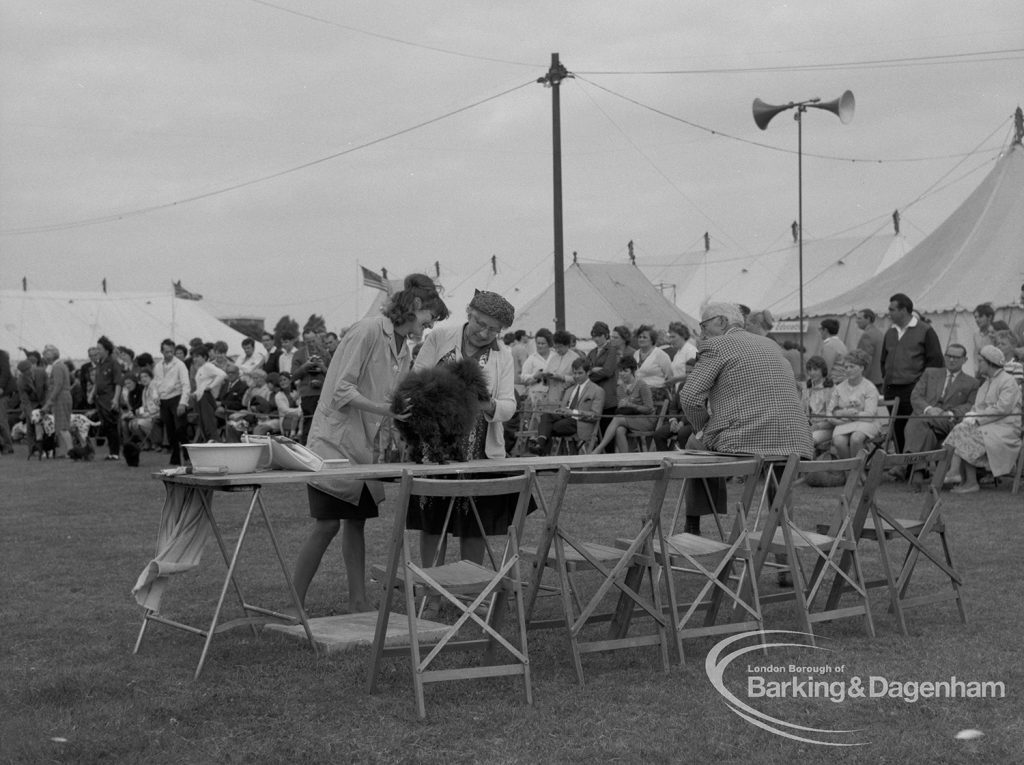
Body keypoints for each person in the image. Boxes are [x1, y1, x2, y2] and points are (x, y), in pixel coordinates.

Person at [292, 274, 447, 614]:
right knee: (328, 523)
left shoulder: (403, 348)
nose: (429, 326)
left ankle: (358, 601)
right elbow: (341, 391)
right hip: (333, 442)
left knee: (356, 522)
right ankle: (292, 605)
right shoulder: (367, 330)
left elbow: (392, 398)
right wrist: (386, 409)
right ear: (416, 305)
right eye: (430, 318)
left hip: (364, 447)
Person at [679, 303, 813, 556]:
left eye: (703, 326)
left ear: (720, 322)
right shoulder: (770, 344)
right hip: (792, 437)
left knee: (693, 446)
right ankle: (785, 557)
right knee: (781, 484)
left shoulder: (717, 345)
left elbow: (689, 398)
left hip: (745, 438)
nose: (701, 333)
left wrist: (702, 428)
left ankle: (693, 526)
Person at [405, 289, 519, 572]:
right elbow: (414, 381)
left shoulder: (503, 355)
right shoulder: (439, 338)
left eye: (493, 329)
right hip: (435, 447)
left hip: (479, 450)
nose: (484, 333)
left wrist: (487, 404)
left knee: (474, 524)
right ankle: (433, 589)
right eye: (481, 324)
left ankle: (471, 590)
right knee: (433, 522)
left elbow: (508, 405)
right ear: (469, 313)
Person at [944, 346, 1023, 494]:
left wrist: (977, 418)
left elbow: (1003, 409)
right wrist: (971, 415)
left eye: (980, 361)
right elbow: (977, 407)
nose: (978, 364)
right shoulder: (986, 383)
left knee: (965, 433)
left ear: (990, 362)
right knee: (962, 429)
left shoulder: (1008, 381)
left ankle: (959, 476)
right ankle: (963, 478)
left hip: (1005, 430)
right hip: (989, 426)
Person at [881, 293, 944, 453]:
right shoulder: (890, 332)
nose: (889, 312)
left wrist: (921, 385)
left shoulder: (925, 330)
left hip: (913, 388)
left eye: (892, 309)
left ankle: (915, 467)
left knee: (914, 428)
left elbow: (935, 361)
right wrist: (886, 378)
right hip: (891, 389)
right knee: (897, 427)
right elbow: (883, 359)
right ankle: (902, 464)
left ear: (904, 310)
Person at [529, 356, 604, 455]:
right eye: (574, 373)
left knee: (547, 427)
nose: (576, 376)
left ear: (588, 372)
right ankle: (541, 445)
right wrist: (561, 410)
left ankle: (541, 446)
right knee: (546, 416)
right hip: (564, 418)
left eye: (580, 373)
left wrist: (573, 412)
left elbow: (595, 415)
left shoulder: (597, 390)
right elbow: (564, 407)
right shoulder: (570, 389)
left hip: (579, 422)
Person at [591, 356, 655, 454]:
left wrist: (631, 405)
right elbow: (622, 409)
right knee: (619, 430)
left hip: (646, 419)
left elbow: (649, 409)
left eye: (625, 371)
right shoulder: (620, 388)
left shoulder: (642, 385)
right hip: (628, 419)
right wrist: (623, 406)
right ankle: (626, 462)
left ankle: (599, 448)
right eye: (620, 371)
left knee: (618, 418)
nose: (622, 374)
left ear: (633, 371)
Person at [825, 350, 882, 459]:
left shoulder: (869, 388)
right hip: (844, 423)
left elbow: (870, 415)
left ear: (861, 368)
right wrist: (837, 418)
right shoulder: (839, 388)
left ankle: (857, 472)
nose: (848, 370)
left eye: (852, 367)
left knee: (856, 439)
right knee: (838, 441)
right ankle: (849, 472)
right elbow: (829, 412)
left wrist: (849, 415)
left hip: (866, 423)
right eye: (846, 367)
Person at [152, 339, 191, 464]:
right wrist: (155, 397)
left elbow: (186, 384)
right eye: (166, 352)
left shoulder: (180, 365)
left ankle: (187, 455)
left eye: (171, 352)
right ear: (161, 352)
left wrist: (183, 403)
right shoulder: (158, 366)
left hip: (177, 398)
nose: (169, 354)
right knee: (170, 430)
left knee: (181, 429)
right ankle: (175, 457)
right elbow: (156, 384)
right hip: (164, 400)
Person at [585, 321, 620, 438]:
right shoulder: (591, 352)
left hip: (608, 397)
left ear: (606, 335)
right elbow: (585, 371)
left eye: (599, 336)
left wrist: (592, 372)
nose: (596, 339)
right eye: (594, 336)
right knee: (595, 433)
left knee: (607, 432)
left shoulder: (612, 350)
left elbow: (608, 371)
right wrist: (593, 370)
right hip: (594, 397)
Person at [91, 336, 123, 460]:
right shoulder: (100, 363)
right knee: (106, 426)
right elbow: (97, 382)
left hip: (109, 399)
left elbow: (118, 382)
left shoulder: (113, 363)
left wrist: (115, 399)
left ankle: (115, 453)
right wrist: (91, 394)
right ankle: (111, 452)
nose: (97, 351)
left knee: (112, 425)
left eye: (99, 349)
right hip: (100, 400)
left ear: (106, 350)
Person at [41, 345, 74, 457]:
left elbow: (58, 385)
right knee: (62, 425)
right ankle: (68, 451)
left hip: (61, 397)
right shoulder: (61, 365)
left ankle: (70, 451)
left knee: (63, 426)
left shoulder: (57, 367)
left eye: (46, 353)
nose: (44, 356)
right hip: (63, 396)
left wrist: (49, 401)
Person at [190, 344, 227, 442]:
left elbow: (222, 374)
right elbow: (201, 385)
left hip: (206, 398)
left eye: (197, 356)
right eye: (194, 357)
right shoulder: (200, 369)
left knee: (209, 424)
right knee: (203, 424)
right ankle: (209, 444)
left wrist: (211, 386)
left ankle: (216, 444)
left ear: (204, 357)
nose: (195, 359)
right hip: (199, 398)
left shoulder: (208, 366)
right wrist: (196, 393)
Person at [802, 355, 835, 454]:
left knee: (807, 441)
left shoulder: (832, 390)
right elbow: (802, 412)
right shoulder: (806, 389)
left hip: (827, 427)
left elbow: (833, 419)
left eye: (815, 369)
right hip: (810, 427)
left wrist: (816, 427)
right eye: (809, 369)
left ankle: (808, 467)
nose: (811, 372)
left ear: (823, 370)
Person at [633, 325, 673, 403]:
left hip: (656, 393)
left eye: (644, 337)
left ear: (652, 340)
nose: (641, 339)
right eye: (639, 337)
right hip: (639, 392)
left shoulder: (661, 355)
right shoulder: (635, 354)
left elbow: (669, 376)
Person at [854, 308, 885, 387]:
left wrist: (859, 379)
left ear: (868, 319)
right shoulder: (878, 332)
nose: (856, 321)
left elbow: (865, 360)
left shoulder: (867, 335)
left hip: (870, 379)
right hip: (879, 377)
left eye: (859, 318)